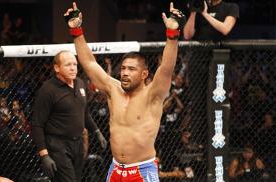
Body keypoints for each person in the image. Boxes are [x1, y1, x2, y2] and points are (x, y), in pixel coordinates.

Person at [64, 2, 185, 181]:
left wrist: (172, 35)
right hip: (116, 169)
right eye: (123, 68)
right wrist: (76, 31)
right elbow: (89, 63)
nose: (125, 73)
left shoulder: (153, 94)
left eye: (131, 69)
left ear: (144, 74)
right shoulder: (113, 89)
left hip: (142, 171)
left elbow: (167, 67)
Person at [31, 50, 108, 182]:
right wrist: (44, 154)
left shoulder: (80, 83)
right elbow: (37, 124)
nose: (73, 68)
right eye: (68, 65)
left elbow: (84, 112)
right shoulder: (48, 90)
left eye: (75, 64)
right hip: (57, 145)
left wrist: (96, 131)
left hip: (77, 144)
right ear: (57, 68)